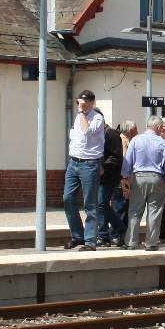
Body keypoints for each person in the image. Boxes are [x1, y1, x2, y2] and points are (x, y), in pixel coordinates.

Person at [120, 116, 165, 251]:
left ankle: (131, 242)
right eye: (161, 126)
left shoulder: (136, 140)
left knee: (134, 211)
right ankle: (151, 243)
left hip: (139, 178)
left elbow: (128, 160)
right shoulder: (163, 143)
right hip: (157, 178)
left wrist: (125, 178)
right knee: (155, 212)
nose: (162, 128)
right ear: (157, 127)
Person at [63, 89, 106, 251]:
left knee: (90, 204)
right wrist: (80, 114)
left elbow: (88, 131)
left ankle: (90, 242)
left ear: (91, 103)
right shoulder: (77, 117)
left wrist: (81, 113)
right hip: (73, 162)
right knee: (67, 198)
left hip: (89, 164)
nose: (79, 105)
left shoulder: (97, 118)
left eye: (82, 102)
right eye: (78, 102)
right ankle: (77, 236)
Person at [96, 120, 126, 247]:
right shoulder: (97, 134)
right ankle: (103, 236)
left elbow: (115, 157)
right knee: (99, 205)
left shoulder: (111, 134)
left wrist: (103, 167)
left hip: (109, 176)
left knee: (101, 204)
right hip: (98, 175)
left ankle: (120, 229)